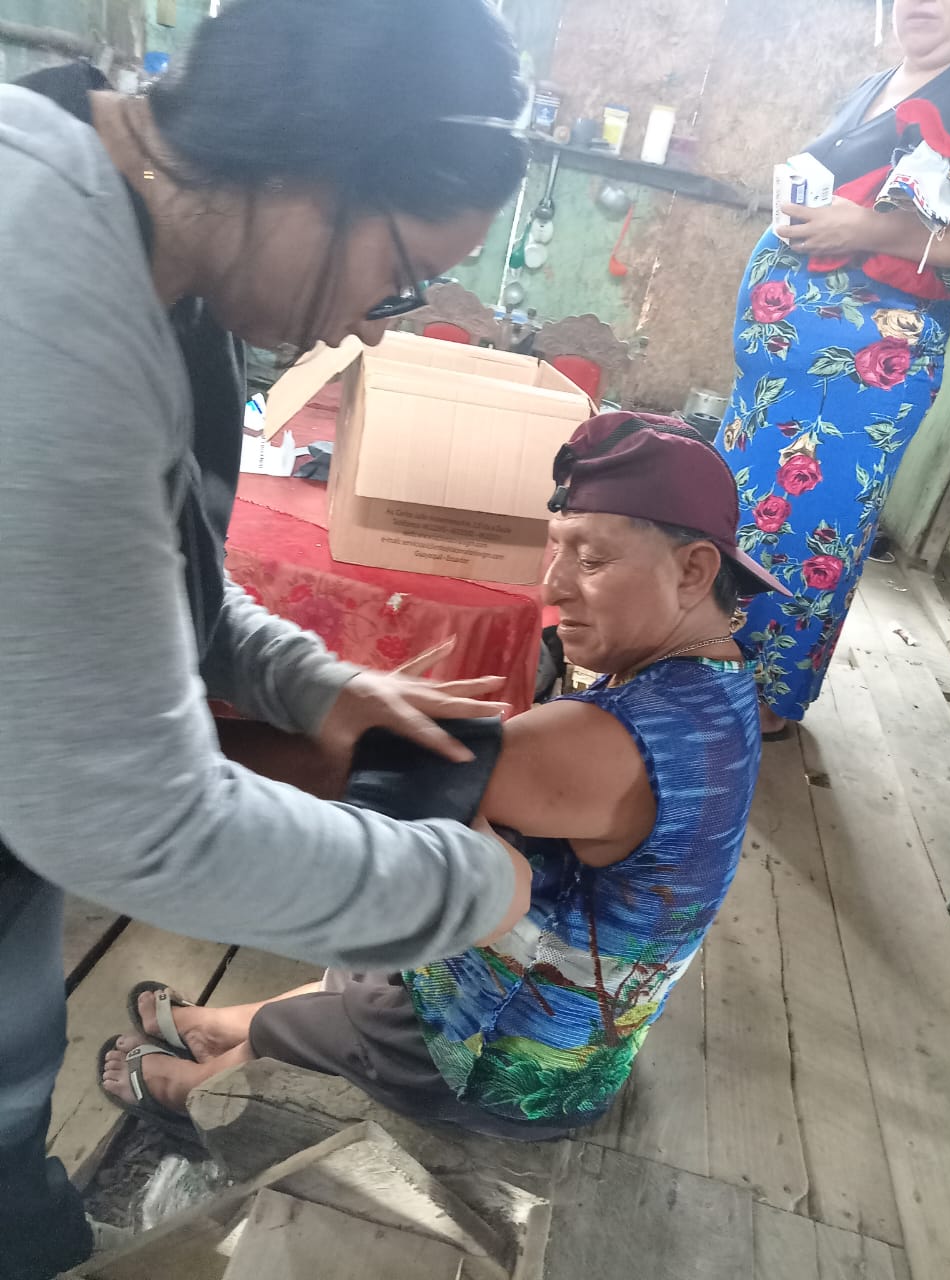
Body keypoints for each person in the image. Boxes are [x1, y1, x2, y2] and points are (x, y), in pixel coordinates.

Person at [0, 3, 535, 1276]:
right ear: (314, 168)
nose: (374, 325)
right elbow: (136, 822)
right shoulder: (47, 301)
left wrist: (310, 679)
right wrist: (468, 887)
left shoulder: (131, 221)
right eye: (397, 275)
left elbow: (139, 566)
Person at [101, 414, 785, 1140]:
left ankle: (196, 1085)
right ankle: (227, 1025)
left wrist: (135, 745)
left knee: (362, 971)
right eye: (556, 548)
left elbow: (361, 772)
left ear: (694, 571)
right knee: (385, 958)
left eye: (589, 559)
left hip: (515, 1063)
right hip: (583, 1022)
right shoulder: (716, 684)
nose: (552, 587)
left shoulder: (614, 741)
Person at [718, 0, 950, 737]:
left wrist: (866, 228)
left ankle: (765, 697)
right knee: (737, 510)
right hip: (778, 373)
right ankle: (705, 665)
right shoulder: (877, 85)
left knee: (814, 523)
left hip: (864, 371)